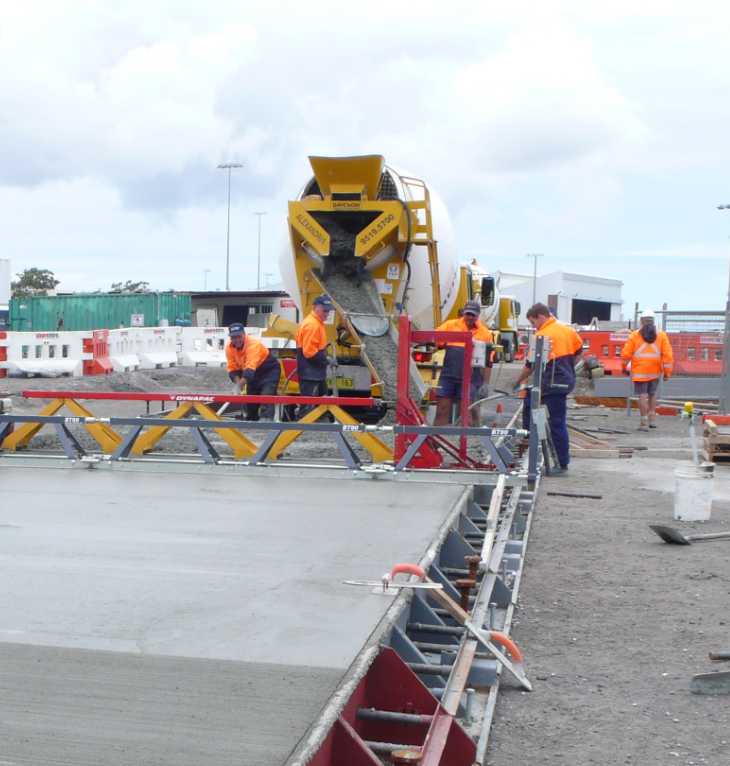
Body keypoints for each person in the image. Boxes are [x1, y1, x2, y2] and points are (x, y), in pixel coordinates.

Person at [515, 303, 583, 475]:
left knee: (555, 423)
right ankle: (533, 440)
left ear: (540, 317)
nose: (533, 327)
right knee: (536, 407)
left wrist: (517, 381)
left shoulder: (542, 335)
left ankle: (560, 463)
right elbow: (579, 352)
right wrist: (567, 368)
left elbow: (530, 366)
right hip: (564, 381)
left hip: (551, 384)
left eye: (533, 322)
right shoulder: (568, 330)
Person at [434, 300, 494, 426]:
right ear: (463, 313)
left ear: (478, 315)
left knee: (467, 413)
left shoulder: (485, 333)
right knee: (442, 410)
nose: (470, 317)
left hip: (471, 378)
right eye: (468, 314)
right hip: (448, 376)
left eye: (473, 315)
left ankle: (469, 442)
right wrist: (439, 342)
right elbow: (435, 339)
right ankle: (436, 441)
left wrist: (485, 384)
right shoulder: (450, 325)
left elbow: (488, 362)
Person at [621, 308, 673, 431]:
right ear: (653, 321)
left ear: (641, 321)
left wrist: (624, 367)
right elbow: (668, 356)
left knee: (642, 395)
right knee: (652, 394)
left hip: (640, 372)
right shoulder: (661, 335)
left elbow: (626, 355)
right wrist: (667, 373)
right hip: (655, 371)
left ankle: (643, 422)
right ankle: (652, 419)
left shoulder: (634, 335)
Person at [225, 323, 281, 421]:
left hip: (268, 371)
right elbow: (233, 369)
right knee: (251, 400)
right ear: (230, 338)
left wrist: (238, 386)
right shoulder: (229, 348)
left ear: (244, 334)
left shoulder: (253, 344)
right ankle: (251, 419)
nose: (237, 340)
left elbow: (250, 369)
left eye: (239, 336)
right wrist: (238, 383)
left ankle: (266, 420)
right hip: (252, 374)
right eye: (234, 337)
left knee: (266, 396)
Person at [295, 294, 334, 415]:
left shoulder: (316, 323)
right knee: (308, 406)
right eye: (325, 311)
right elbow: (309, 352)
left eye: (328, 311)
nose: (327, 314)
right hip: (310, 372)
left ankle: (319, 426)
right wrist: (327, 359)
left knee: (322, 402)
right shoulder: (312, 325)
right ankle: (304, 428)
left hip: (314, 372)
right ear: (316, 307)